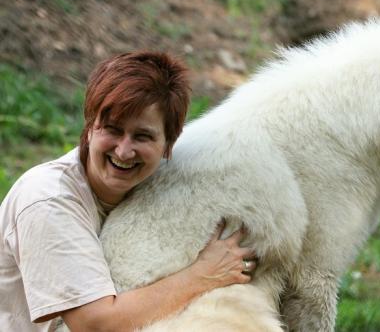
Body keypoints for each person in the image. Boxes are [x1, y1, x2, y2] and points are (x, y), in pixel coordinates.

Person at [0, 51, 257, 331]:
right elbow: (94, 324)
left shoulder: (155, 186)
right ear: (89, 129)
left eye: (142, 136)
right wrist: (202, 276)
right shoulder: (48, 201)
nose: (123, 150)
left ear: (169, 144)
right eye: (112, 130)